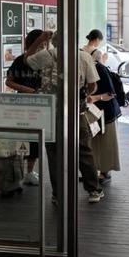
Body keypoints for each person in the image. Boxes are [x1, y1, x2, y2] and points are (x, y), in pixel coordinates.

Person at [24, 30, 109, 204]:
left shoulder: (47, 55)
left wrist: (40, 39)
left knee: (54, 154)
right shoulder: (84, 57)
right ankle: (93, 190)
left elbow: (27, 60)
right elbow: (92, 85)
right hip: (76, 111)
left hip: (51, 112)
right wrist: (83, 94)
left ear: (54, 42)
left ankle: (58, 193)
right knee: (84, 151)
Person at [5, 29, 44, 186]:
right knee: (21, 137)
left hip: (39, 105)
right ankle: (18, 171)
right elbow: (9, 81)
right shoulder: (20, 60)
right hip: (22, 104)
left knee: (35, 139)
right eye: (41, 43)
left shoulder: (44, 60)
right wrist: (25, 89)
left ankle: (29, 172)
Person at [89, 50, 122, 185]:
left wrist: (93, 98)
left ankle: (105, 171)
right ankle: (96, 170)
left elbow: (110, 93)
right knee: (95, 143)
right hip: (93, 111)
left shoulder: (100, 69)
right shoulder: (87, 68)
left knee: (106, 143)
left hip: (106, 111)